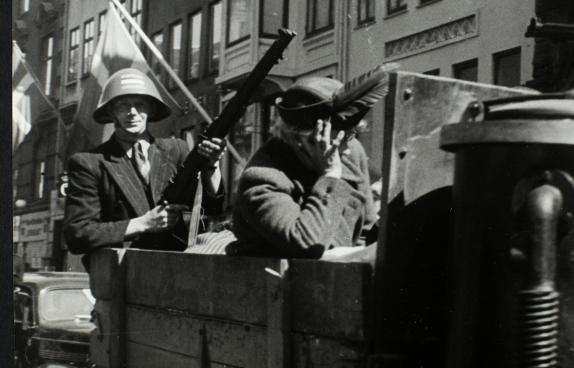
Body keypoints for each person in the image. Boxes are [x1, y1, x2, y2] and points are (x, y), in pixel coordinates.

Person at [63, 67, 226, 270]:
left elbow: (212, 208)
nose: (133, 112)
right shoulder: (89, 162)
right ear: (111, 112)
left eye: (140, 104)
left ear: (150, 109)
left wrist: (212, 166)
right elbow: (78, 234)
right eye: (123, 106)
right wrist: (144, 223)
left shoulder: (176, 150)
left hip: (178, 271)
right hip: (121, 279)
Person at [227, 76, 379, 259]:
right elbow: (307, 243)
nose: (347, 148)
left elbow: (366, 231)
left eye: (352, 135)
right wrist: (330, 175)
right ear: (304, 138)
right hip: (277, 283)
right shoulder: (262, 178)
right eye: (343, 138)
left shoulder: (351, 153)